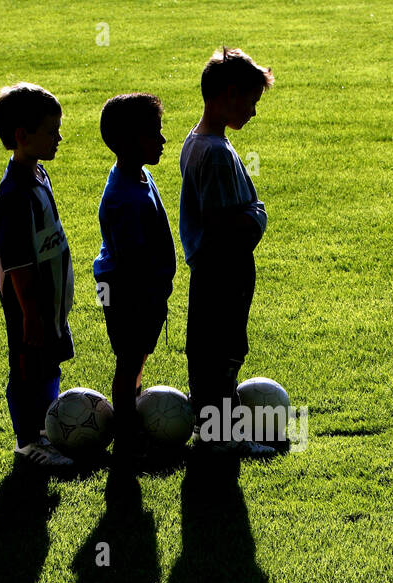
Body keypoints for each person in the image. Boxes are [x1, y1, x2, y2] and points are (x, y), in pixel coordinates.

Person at [178, 47, 276, 458]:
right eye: (251, 101)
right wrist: (257, 216)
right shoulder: (216, 152)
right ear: (230, 94)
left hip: (211, 269)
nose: (254, 112)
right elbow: (225, 226)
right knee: (223, 352)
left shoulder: (198, 139)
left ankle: (215, 430)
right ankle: (224, 438)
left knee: (211, 351)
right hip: (224, 269)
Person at [0, 82, 77, 470]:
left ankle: (47, 431)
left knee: (49, 364)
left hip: (51, 302)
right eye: (51, 131)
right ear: (22, 136)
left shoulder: (39, 175)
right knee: (27, 368)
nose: (59, 137)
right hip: (31, 305)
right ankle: (29, 441)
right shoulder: (13, 193)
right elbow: (17, 261)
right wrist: (30, 313)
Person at [92, 93, 176, 466]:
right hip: (126, 289)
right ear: (128, 141)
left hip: (140, 287)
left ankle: (132, 418)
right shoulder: (124, 198)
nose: (162, 141)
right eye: (153, 134)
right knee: (128, 359)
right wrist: (152, 293)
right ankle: (127, 433)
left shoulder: (139, 174)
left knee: (136, 355)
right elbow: (132, 261)